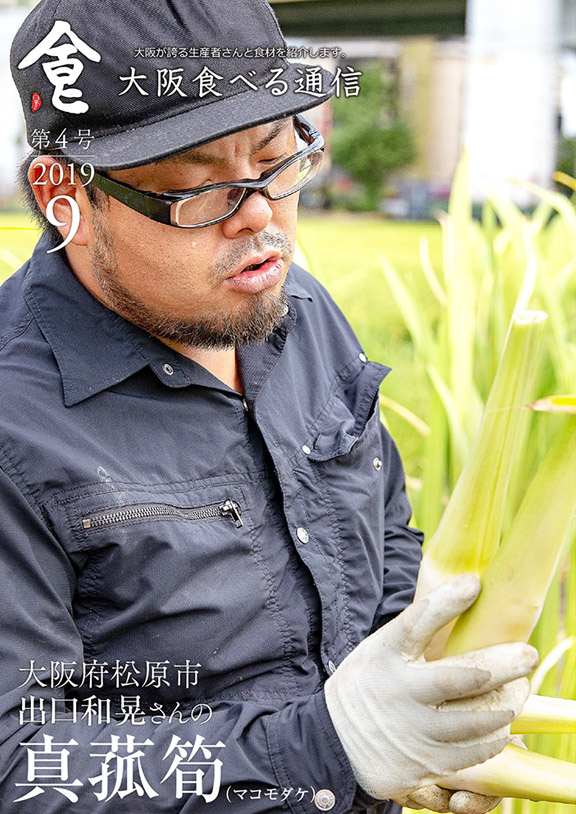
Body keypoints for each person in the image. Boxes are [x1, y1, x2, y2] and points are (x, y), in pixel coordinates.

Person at [1, 0, 537, 812]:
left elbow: (379, 529)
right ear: (64, 196)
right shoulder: (16, 422)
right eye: (198, 189)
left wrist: (429, 707)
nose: (260, 217)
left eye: (278, 160)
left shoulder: (298, 309)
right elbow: (21, 764)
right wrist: (333, 746)